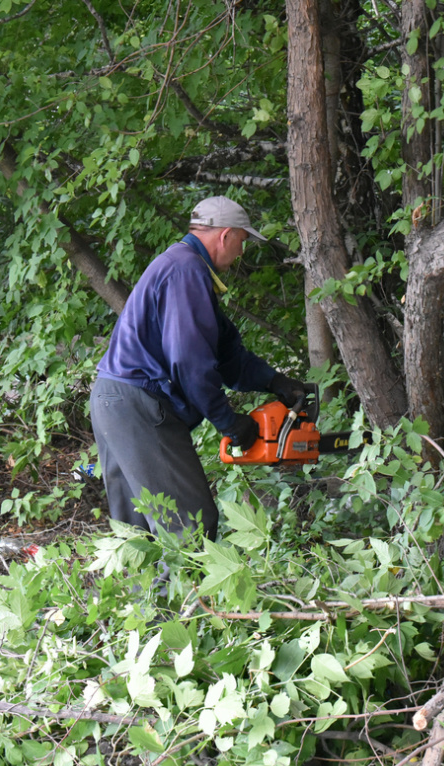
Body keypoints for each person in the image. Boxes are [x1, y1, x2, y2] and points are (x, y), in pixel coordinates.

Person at [89, 196, 307, 540]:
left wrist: (275, 381)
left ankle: (145, 595)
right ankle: (188, 595)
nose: (240, 254)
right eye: (242, 243)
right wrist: (228, 421)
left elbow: (224, 355)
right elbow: (189, 362)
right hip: (137, 404)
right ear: (226, 236)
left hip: (112, 399)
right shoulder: (187, 271)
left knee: (137, 533)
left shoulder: (181, 267)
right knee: (188, 522)